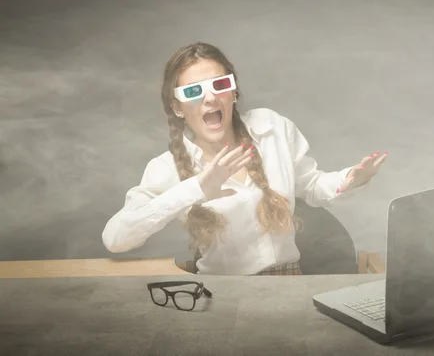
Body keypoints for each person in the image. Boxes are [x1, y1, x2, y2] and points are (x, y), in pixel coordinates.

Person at [101, 42, 388, 275]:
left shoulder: (271, 128)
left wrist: (350, 180)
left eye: (220, 85)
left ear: (234, 92)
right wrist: (195, 189)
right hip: (219, 294)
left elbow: (312, 186)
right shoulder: (165, 167)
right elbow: (116, 239)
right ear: (177, 107)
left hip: (289, 282)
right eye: (193, 91)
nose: (210, 99)